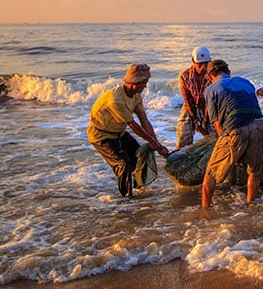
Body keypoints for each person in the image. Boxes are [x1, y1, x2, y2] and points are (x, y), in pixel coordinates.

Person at [87, 64, 170, 197]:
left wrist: (158, 144)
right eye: (143, 83)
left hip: (118, 132)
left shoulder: (136, 97)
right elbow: (133, 125)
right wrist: (151, 141)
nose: (145, 86)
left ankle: (137, 189)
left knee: (137, 156)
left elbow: (144, 122)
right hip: (101, 134)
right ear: (134, 83)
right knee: (123, 163)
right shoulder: (116, 100)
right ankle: (126, 199)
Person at [201, 59, 263, 208]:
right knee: (255, 170)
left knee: (211, 173)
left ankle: (205, 211)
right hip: (259, 125)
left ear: (210, 76)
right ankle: (251, 206)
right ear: (228, 72)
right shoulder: (246, 82)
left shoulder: (211, 89)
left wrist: (232, 149)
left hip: (235, 129)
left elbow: (217, 124)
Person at [176, 45, 213, 149]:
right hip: (190, 105)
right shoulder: (184, 75)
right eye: (200, 64)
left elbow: (210, 99)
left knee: (214, 136)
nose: (203, 67)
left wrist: (204, 121)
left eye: (206, 64)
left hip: (209, 106)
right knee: (184, 134)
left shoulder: (212, 75)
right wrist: (195, 120)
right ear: (193, 61)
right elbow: (187, 98)